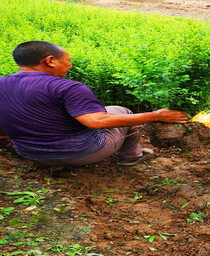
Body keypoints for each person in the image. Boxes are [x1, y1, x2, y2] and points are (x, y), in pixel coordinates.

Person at [0, 41, 188, 166]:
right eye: (68, 61)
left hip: (28, 153)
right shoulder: (68, 87)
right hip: (79, 153)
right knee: (123, 111)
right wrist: (156, 115)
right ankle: (131, 156)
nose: (70, 66)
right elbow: (96, 122)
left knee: (106, 112)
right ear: (50, 61)